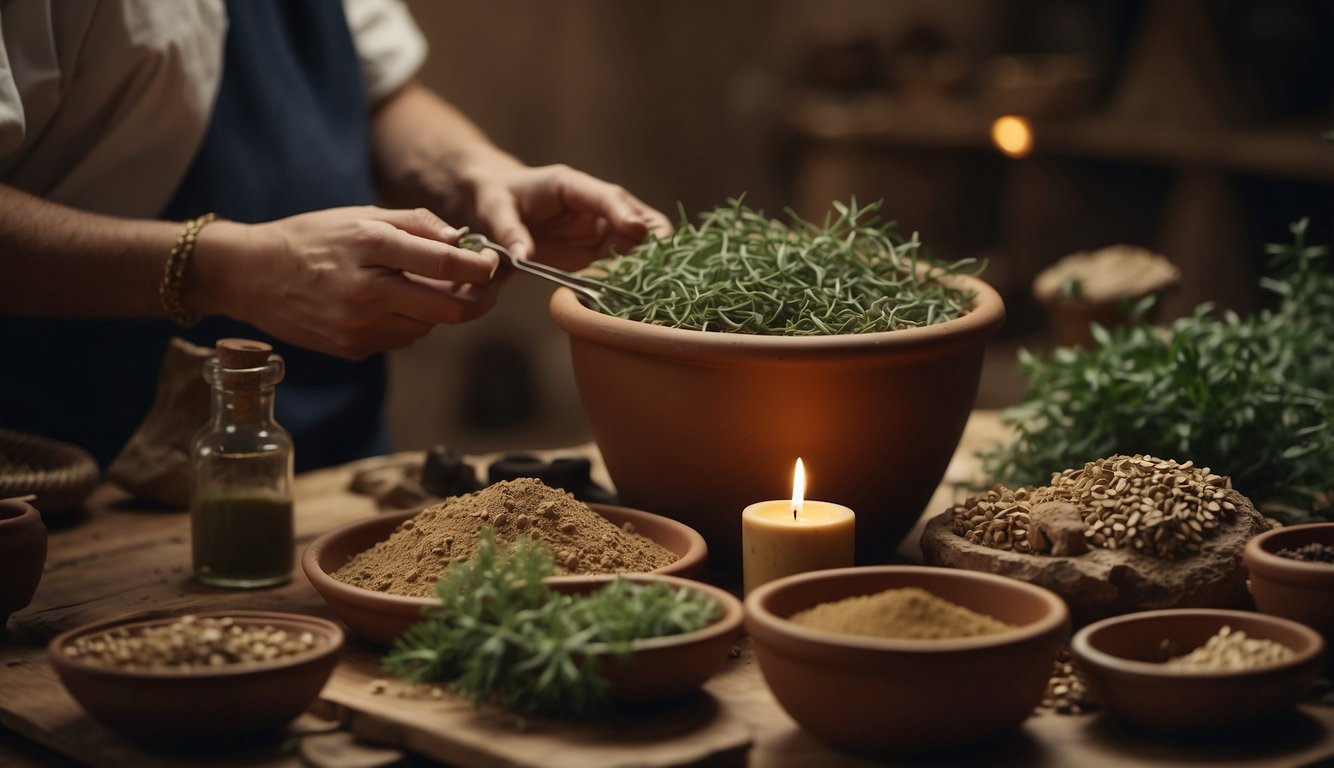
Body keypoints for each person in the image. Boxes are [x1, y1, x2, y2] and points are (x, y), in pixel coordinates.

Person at [0, 0, 670, 471]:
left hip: (329, 435)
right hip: (83, 459)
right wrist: (235, 270)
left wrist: (479, 175)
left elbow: (378, 88)